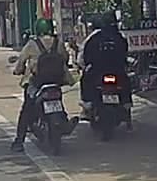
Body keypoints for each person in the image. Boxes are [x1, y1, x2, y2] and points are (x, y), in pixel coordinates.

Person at [10, 18, 73, 151]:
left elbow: (21, 61)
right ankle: (64, 121)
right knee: (59, 102)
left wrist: (18, 70)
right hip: (56, 81)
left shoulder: (32, 44)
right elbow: (65, 58)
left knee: (26, 110)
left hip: (37, 83)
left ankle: (19, 141)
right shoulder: (58, 43)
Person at [79, 12, 130, 117]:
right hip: (117, 70)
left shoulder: (94, 37)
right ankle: (126, 102)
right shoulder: (119, 37)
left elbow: (85, 56)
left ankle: (87, 103)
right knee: (125, 80)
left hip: (97, 71)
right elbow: (124, 52)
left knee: (85, 79)